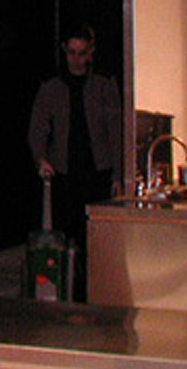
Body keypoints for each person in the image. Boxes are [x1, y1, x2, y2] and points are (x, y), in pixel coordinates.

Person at [27, 26, 123, 299]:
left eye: (82, 53)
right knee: (67, 238)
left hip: (97, 171)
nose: (77, 60)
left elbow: (115, 133)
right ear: (65, 51)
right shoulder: (51, 88)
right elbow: (37, 128)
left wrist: (118, 174)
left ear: (91, 53)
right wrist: (41, 158)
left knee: (97, 239)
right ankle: (70, 292)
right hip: (65, 171)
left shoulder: (103, 86)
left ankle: (95, 293)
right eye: (72, 53)